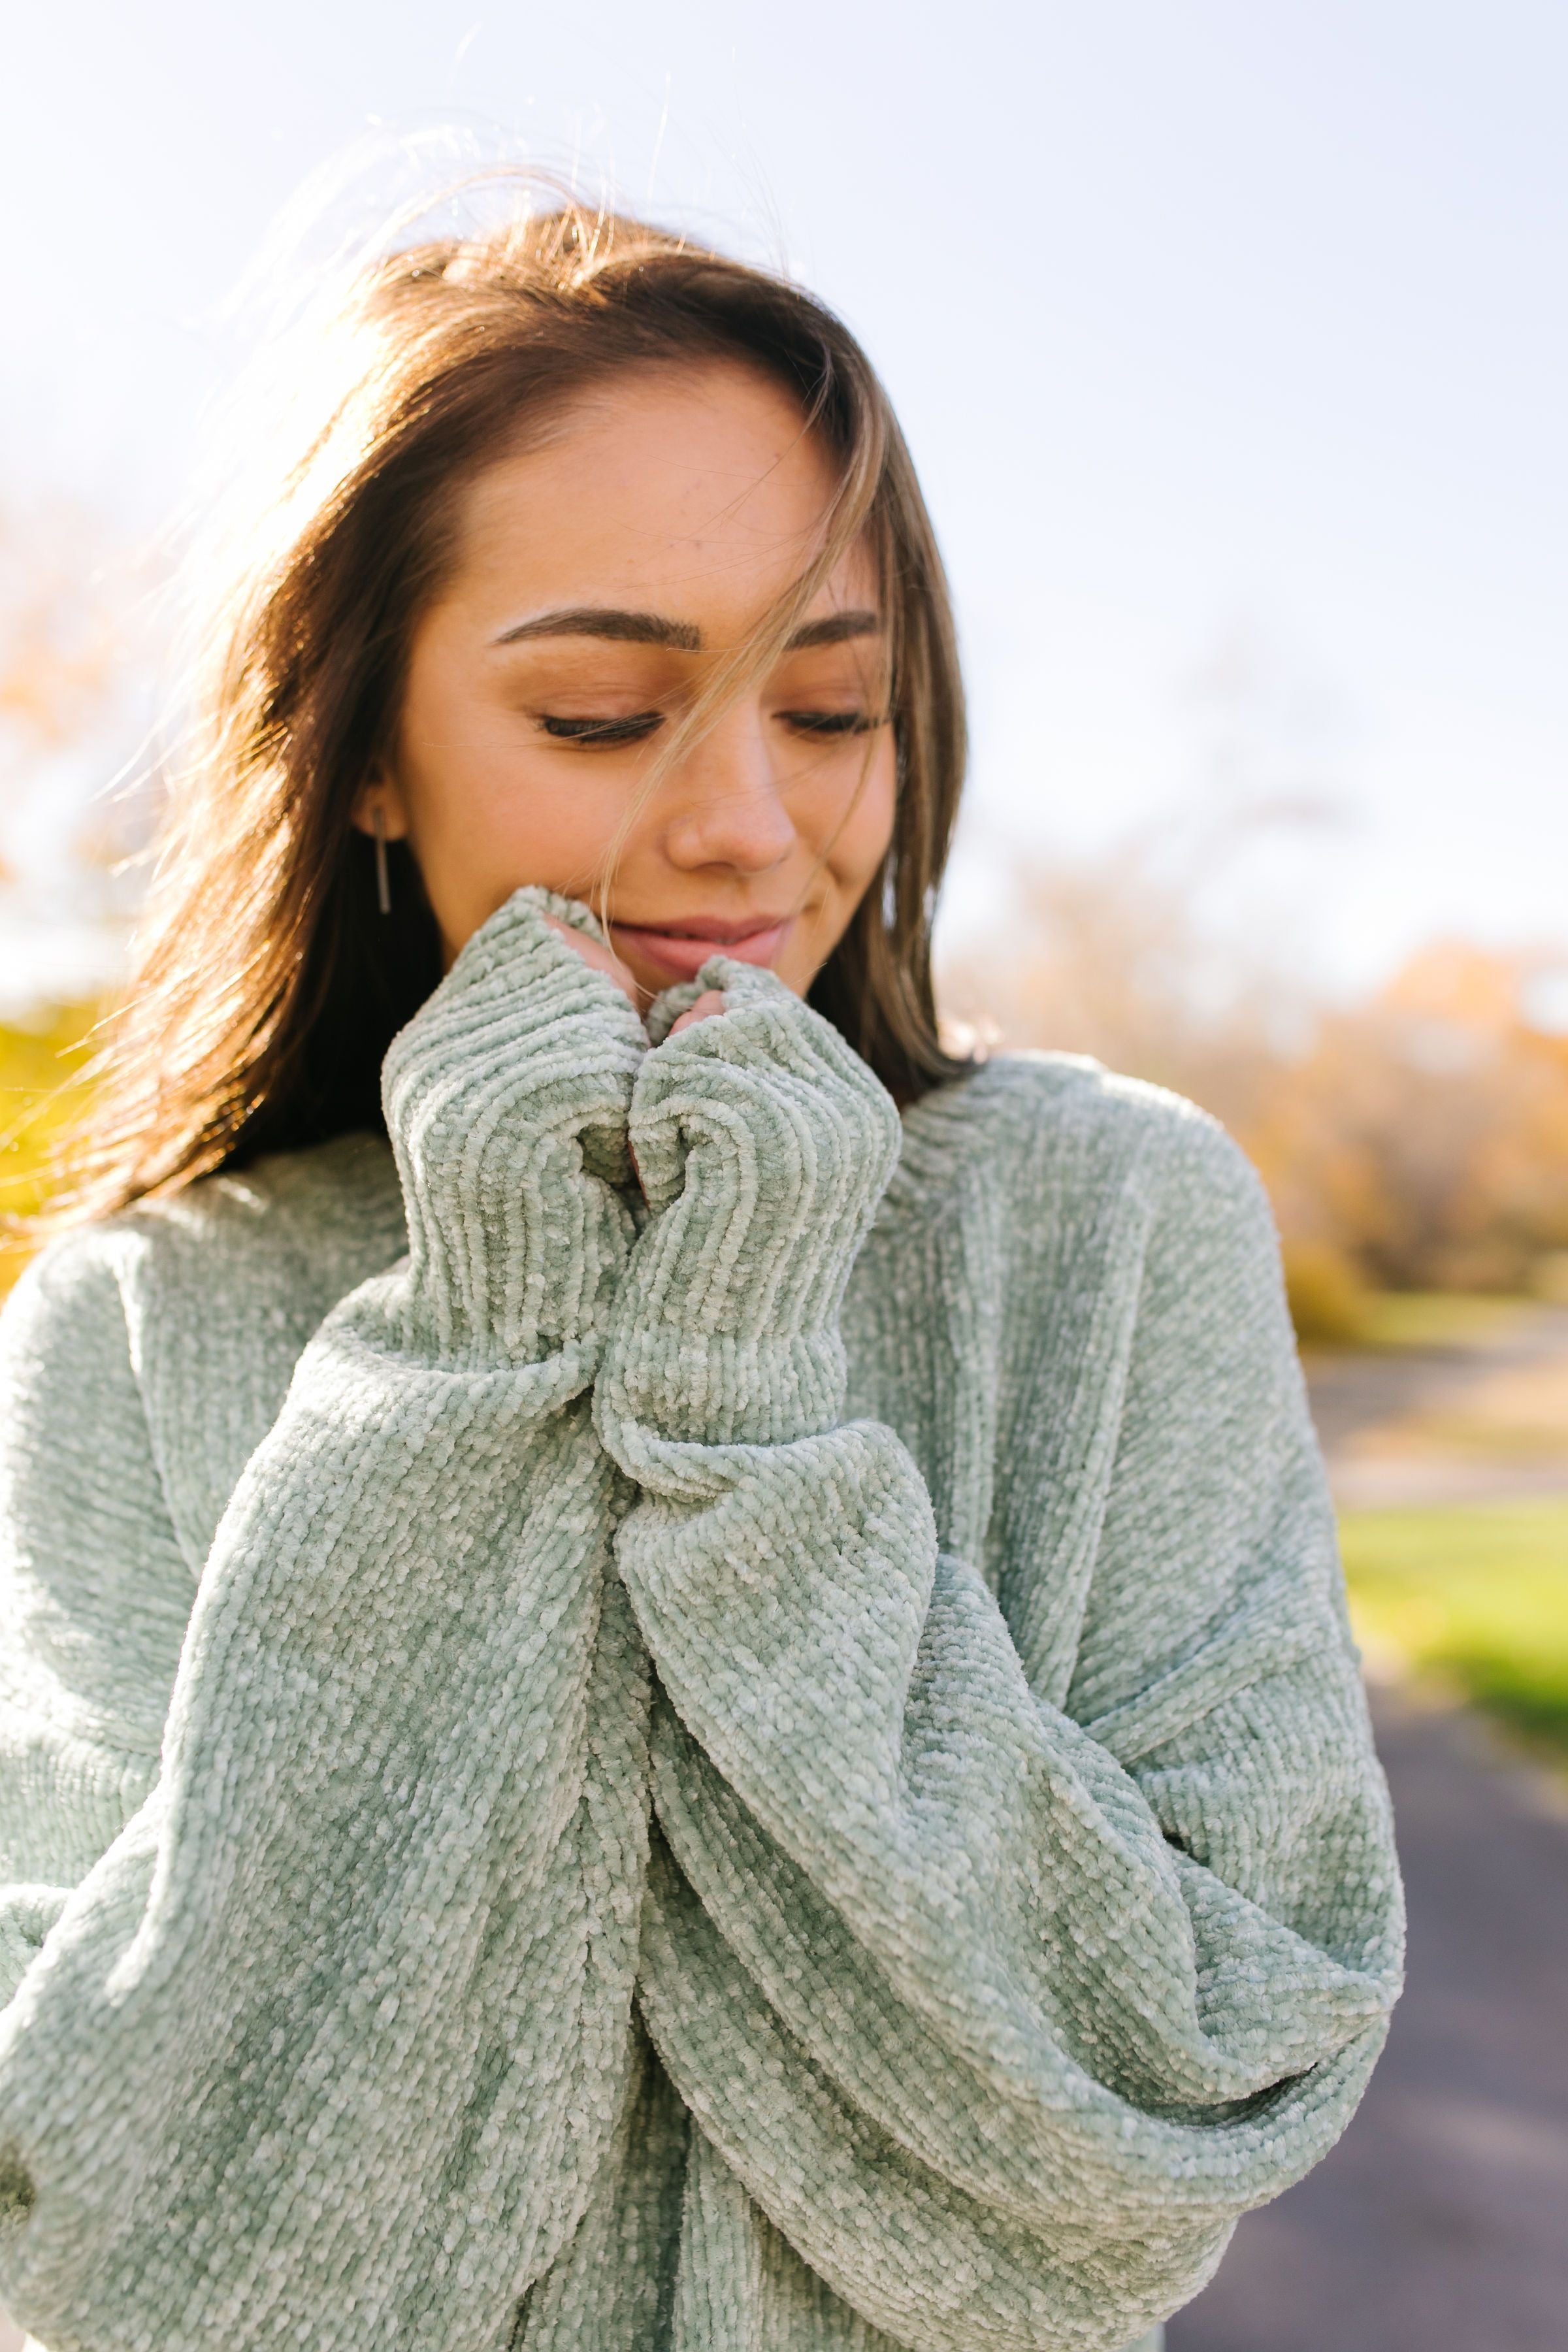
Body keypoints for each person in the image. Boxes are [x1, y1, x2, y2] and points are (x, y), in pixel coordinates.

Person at [0, 191, 1401, 2352]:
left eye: (831, 713)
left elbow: (1171, 2109)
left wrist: (751, 1434)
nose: (749, 821)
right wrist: (472, 1364)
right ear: (365, 745)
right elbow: (120, 2248)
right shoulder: (136, 1322)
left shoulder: (1110, 1226)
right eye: (598, 716)